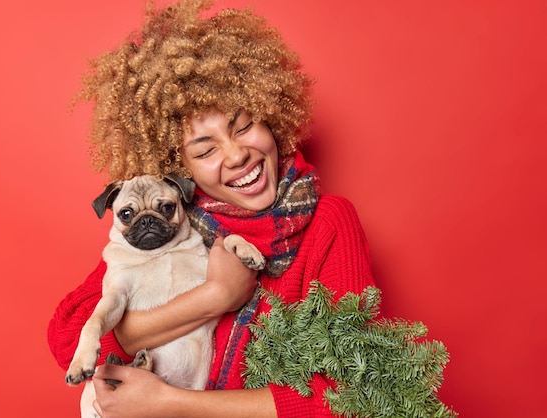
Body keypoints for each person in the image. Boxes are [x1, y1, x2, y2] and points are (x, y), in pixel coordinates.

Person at [47, 0, 376, 416]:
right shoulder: (178, 226)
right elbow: (67, 341)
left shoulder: (329, 223)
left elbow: (355, 396)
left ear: (271, 116)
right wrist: (215, 296)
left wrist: (172, 403)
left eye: (243, 127)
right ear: (178, 170)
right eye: (205, 150)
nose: (237, 155)